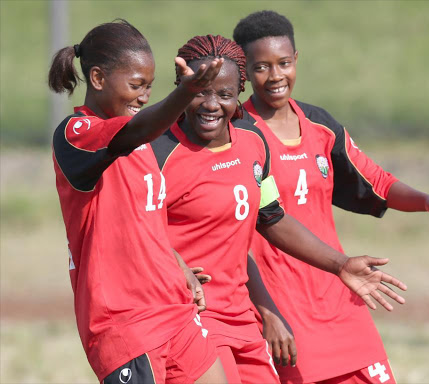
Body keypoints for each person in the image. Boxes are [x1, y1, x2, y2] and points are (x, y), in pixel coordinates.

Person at [150, 34, 408, 384]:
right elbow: (132, 230)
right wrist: (176, 265)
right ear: (181, 87)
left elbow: (271, 218)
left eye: (224, 94)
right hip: (189, 315)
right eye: (199, 91)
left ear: (239, 92)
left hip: (241, 315)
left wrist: (340, 264)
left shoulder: (253, 143)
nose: (211, 104)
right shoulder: (155, 154)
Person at [233, 10, 429, 384]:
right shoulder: (237, 134)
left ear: (296, 60)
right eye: (261, 67)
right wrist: (266, 312)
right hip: (281, 305)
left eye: (284, 63)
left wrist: (425, 199)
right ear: (245, 70)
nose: (275, 76)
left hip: (341, 288)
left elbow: (376, 181)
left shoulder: (320, 125)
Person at [48, 20, 228, 383]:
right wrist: (185, 93)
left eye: (149, 86)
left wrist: (176, 266)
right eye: (136, 85)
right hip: (126, 325)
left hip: (175, 311)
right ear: (97, 79)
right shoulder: (76, 135)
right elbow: (138, 129)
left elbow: (145, 221)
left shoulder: (142, 145)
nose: (144, 96)